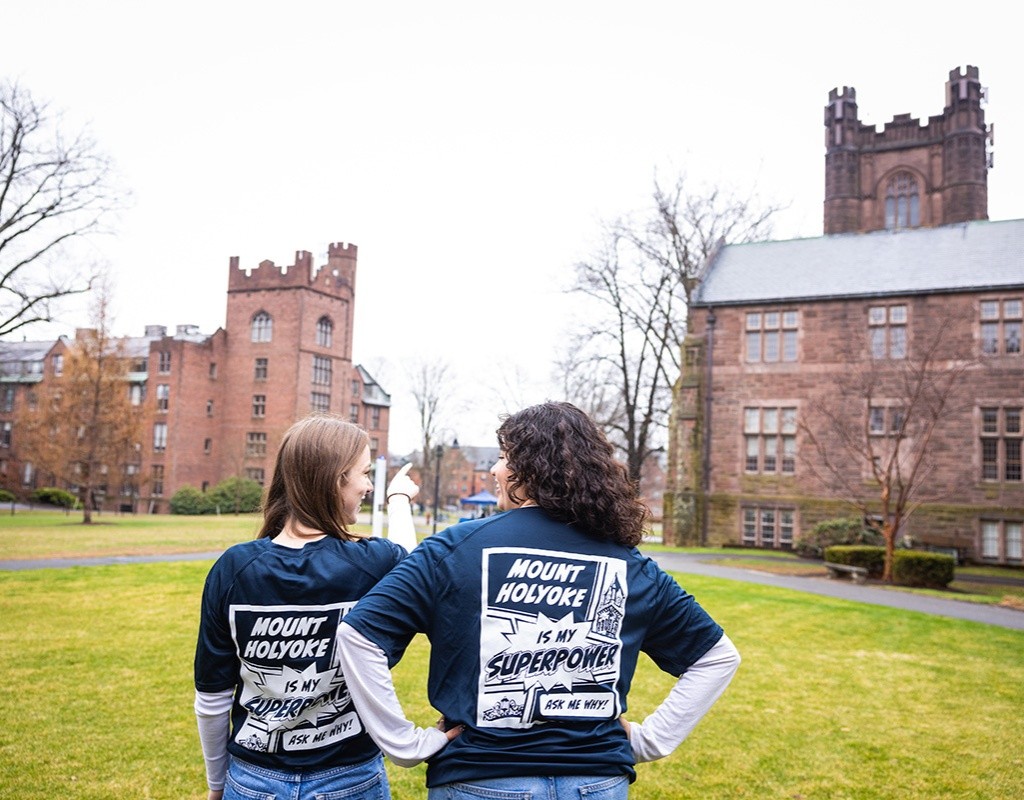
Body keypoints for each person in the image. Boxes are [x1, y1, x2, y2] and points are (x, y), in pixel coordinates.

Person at [338, 401, 741, 798]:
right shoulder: (627, 563)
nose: (494, 470)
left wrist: (406, 747)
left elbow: (359, 635)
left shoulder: (455, 548)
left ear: (527, 469)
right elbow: (716, 657)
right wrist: (649, 741)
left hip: (482, 780)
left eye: (501, 457)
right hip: (596, 783)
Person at [193, 414, 453, 800]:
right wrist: (398, 500)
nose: (368, 485)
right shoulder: (373, 562)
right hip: (350, 780)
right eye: (364, 474)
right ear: (336, 480)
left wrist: (217, 784)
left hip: (252, 781)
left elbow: (212, 699)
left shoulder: (233, 567)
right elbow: (415, 570)